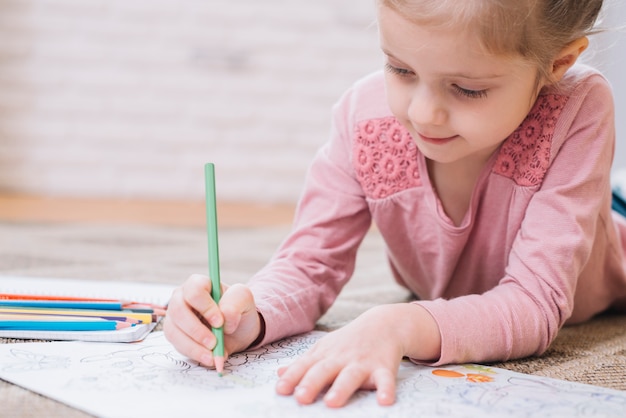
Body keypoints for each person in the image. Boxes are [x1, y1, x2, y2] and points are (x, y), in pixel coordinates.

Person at [163, 0, 626, 408]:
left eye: (468, 89)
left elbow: (535, 303)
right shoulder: (362, 116)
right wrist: (252, 315)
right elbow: (308, 266)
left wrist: (401, 324)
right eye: (400, 70)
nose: (423, 113)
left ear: (558, 64)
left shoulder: (578, 106)